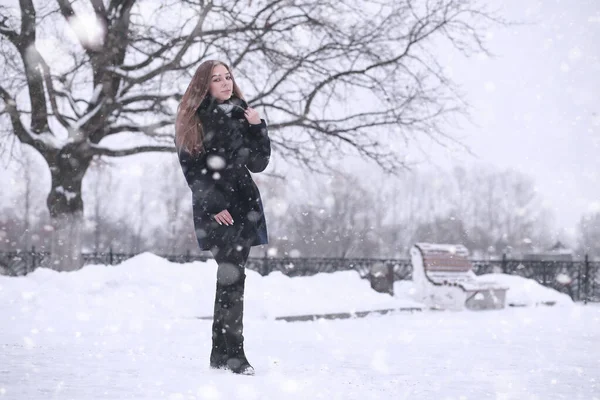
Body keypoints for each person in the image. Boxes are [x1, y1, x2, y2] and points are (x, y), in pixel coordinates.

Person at [174, 60, 271, 375]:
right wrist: (215, 206)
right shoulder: (195, 120)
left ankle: (221, 353)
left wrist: (258, 127)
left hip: (244, 206)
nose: (225, 83)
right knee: (232, 278)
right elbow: (193, 170)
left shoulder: (242, 114)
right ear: (205, 85)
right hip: (216, 210)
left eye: (228, 77)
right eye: (217, 79)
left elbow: (258, 163)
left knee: (232, 279)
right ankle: (234, 356)